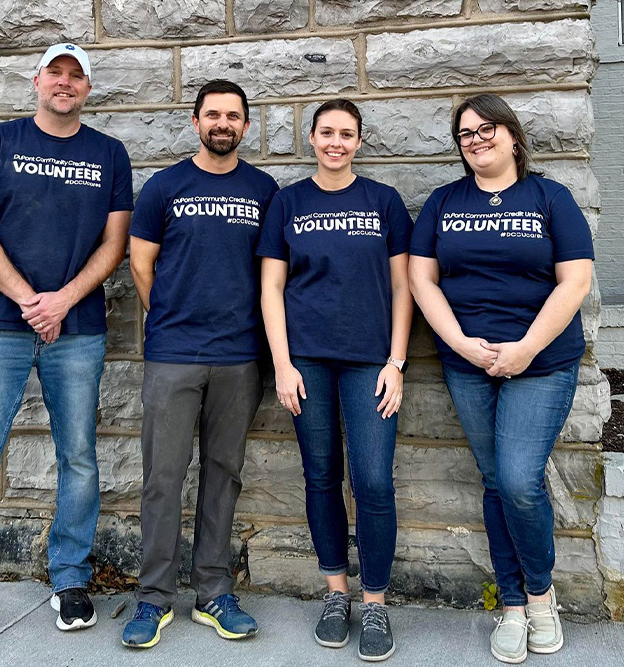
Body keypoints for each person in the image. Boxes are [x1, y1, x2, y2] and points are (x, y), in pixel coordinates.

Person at [0, 43, 133, 651]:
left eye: (76, 76)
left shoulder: (109, 154)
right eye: (56, 73)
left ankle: (69, 579)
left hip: (77, 330)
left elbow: (114, 244)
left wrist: (63, 301)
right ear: (37, 80)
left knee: (79, 458)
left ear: (88, 88)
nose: (65, 83)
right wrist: (30, 301)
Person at [408, 93, 593, 664]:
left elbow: (575, 281)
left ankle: (541, 598)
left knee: (517, 480)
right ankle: (512, 606)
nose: (477, 139)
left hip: (540, 364)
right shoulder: (443, 202)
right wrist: (461, 343)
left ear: (513, 136)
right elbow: (422, 280)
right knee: (495, 482)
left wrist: (526, 348)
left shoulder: (549, 197)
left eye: (487, 128)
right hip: (469, 364)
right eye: (465, 133)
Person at [122, 80, 279, 649]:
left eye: (233, 116)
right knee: (162, 477)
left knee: (223, 473)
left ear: (245, 125)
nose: (223, 123)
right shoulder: (165, 185)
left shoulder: (264, 189)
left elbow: (273, 272)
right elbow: (142, 263)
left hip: (240, 357)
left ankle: (213, 592)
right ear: (196, 121)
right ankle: (154, 597)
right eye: (213, 114)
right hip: (172, 355)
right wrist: (170, 317)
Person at [257, 99, 413, 662]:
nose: (336, 143)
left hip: (371, 362)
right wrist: (282, 362)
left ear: (360, 142)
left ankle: (375, 601)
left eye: (347, 134)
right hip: (308, 363)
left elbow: (403, 289)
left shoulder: (384, 202)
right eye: (327, 133)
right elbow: (271, 288)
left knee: (373, 480)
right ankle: (336, 594)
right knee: (321, 475)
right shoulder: (288, 202)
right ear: (312, 138)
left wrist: (396, 363)